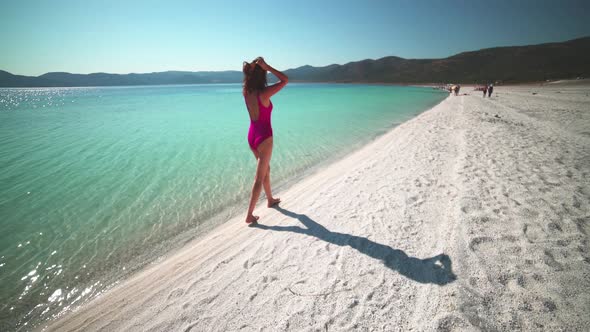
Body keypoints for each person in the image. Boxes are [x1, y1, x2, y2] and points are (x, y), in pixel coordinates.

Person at [242, 57, 288, 224]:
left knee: (265, 169)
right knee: (259, 177)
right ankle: (249, 214)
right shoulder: (264, 93)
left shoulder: (246, 92)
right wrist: (267, 66)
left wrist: (256, 67)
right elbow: (285, 79)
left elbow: (249, 77)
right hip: (264, 137)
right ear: (262, 76)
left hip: (252, 135)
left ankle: (270, 199)